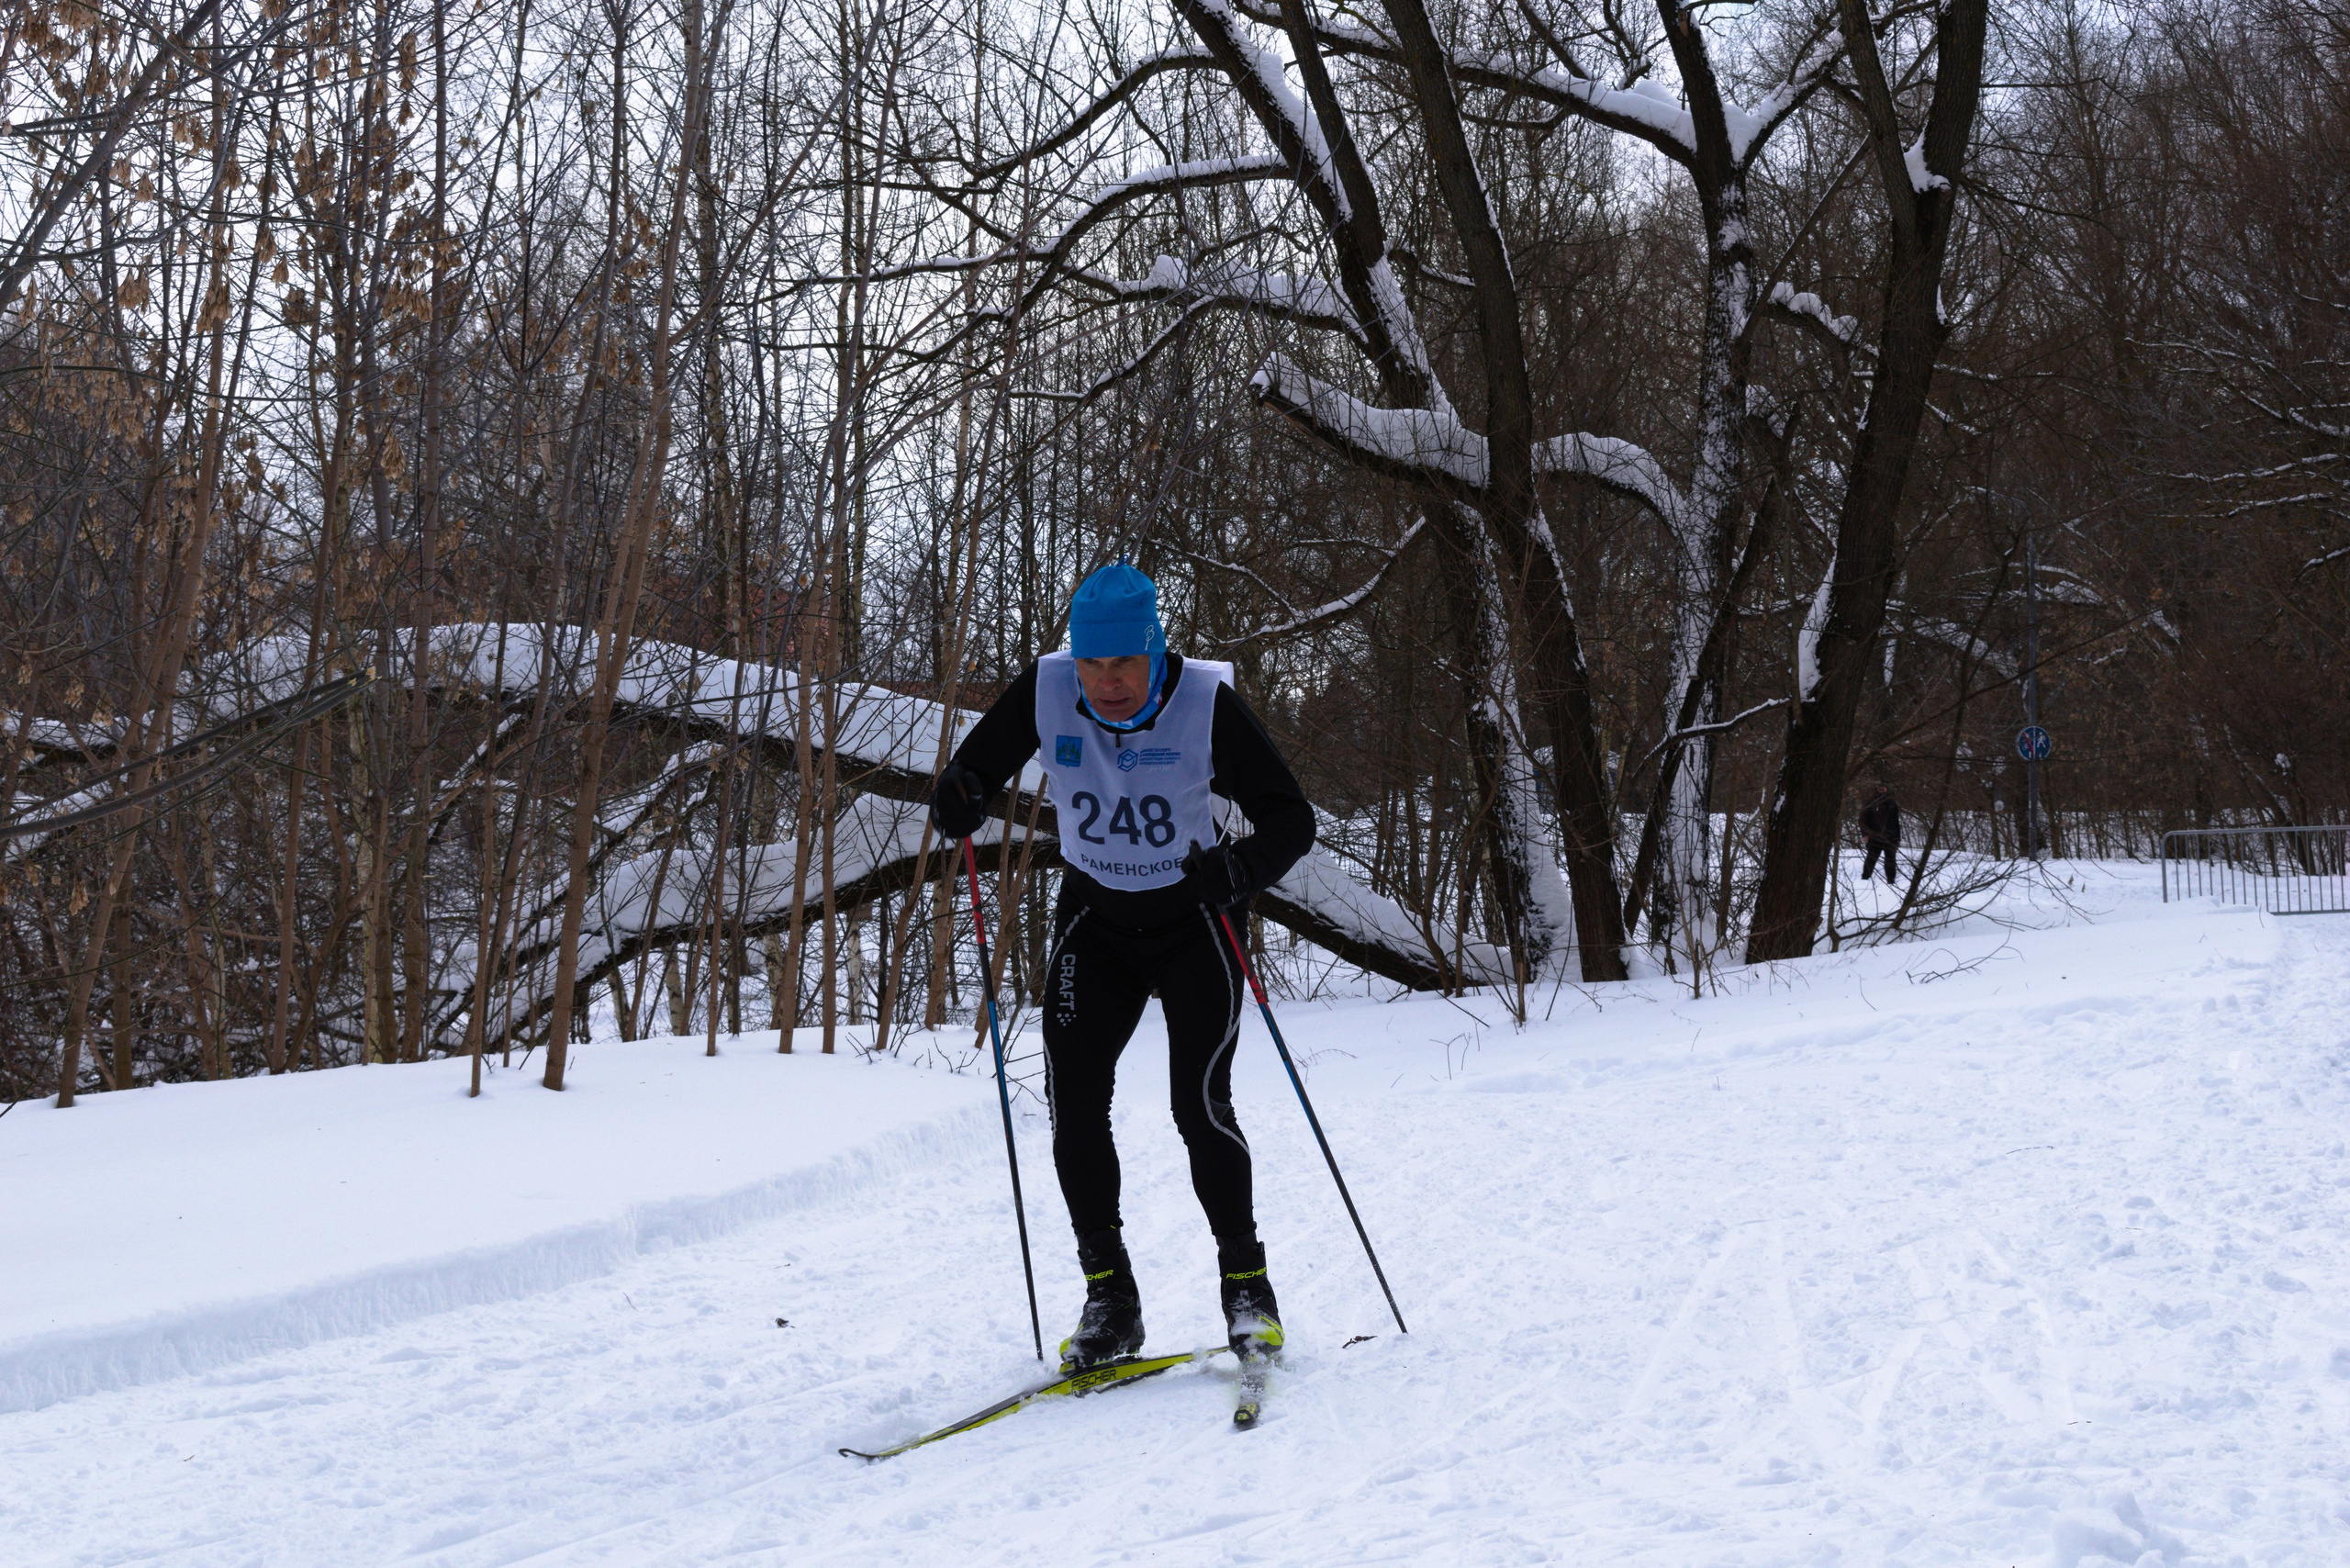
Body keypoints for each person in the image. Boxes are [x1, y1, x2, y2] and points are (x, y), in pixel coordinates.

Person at [930, 563, 1315, 1376]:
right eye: (1092, 666)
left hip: (1195, 923)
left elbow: (1291, 818)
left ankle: (1249, 1289)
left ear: (1155, 651)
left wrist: (1240, 870)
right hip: (1095, 923)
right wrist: (958, 795)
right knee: (1075, 1110)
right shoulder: (1047, 687)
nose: (1105, 685)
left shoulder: (1205, 702)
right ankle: (1111, 1298)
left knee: (1199, 1108)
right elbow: (972, 774)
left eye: (1123, 667)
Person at [1860, 782, 1901, 884]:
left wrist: (1898, 837)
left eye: (1884, 787)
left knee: (1891, 860)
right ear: (1876, 788)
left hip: (1891, 837)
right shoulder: (1870, 801)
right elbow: (1863, 819)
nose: (1881, 788)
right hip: (1874, 836)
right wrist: (1865, 834)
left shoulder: (1892, 802)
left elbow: (1896, 820)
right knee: (1871, 858)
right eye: (1879, 787)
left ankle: (1891, 881)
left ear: (1887, 788)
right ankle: (1865, 879)